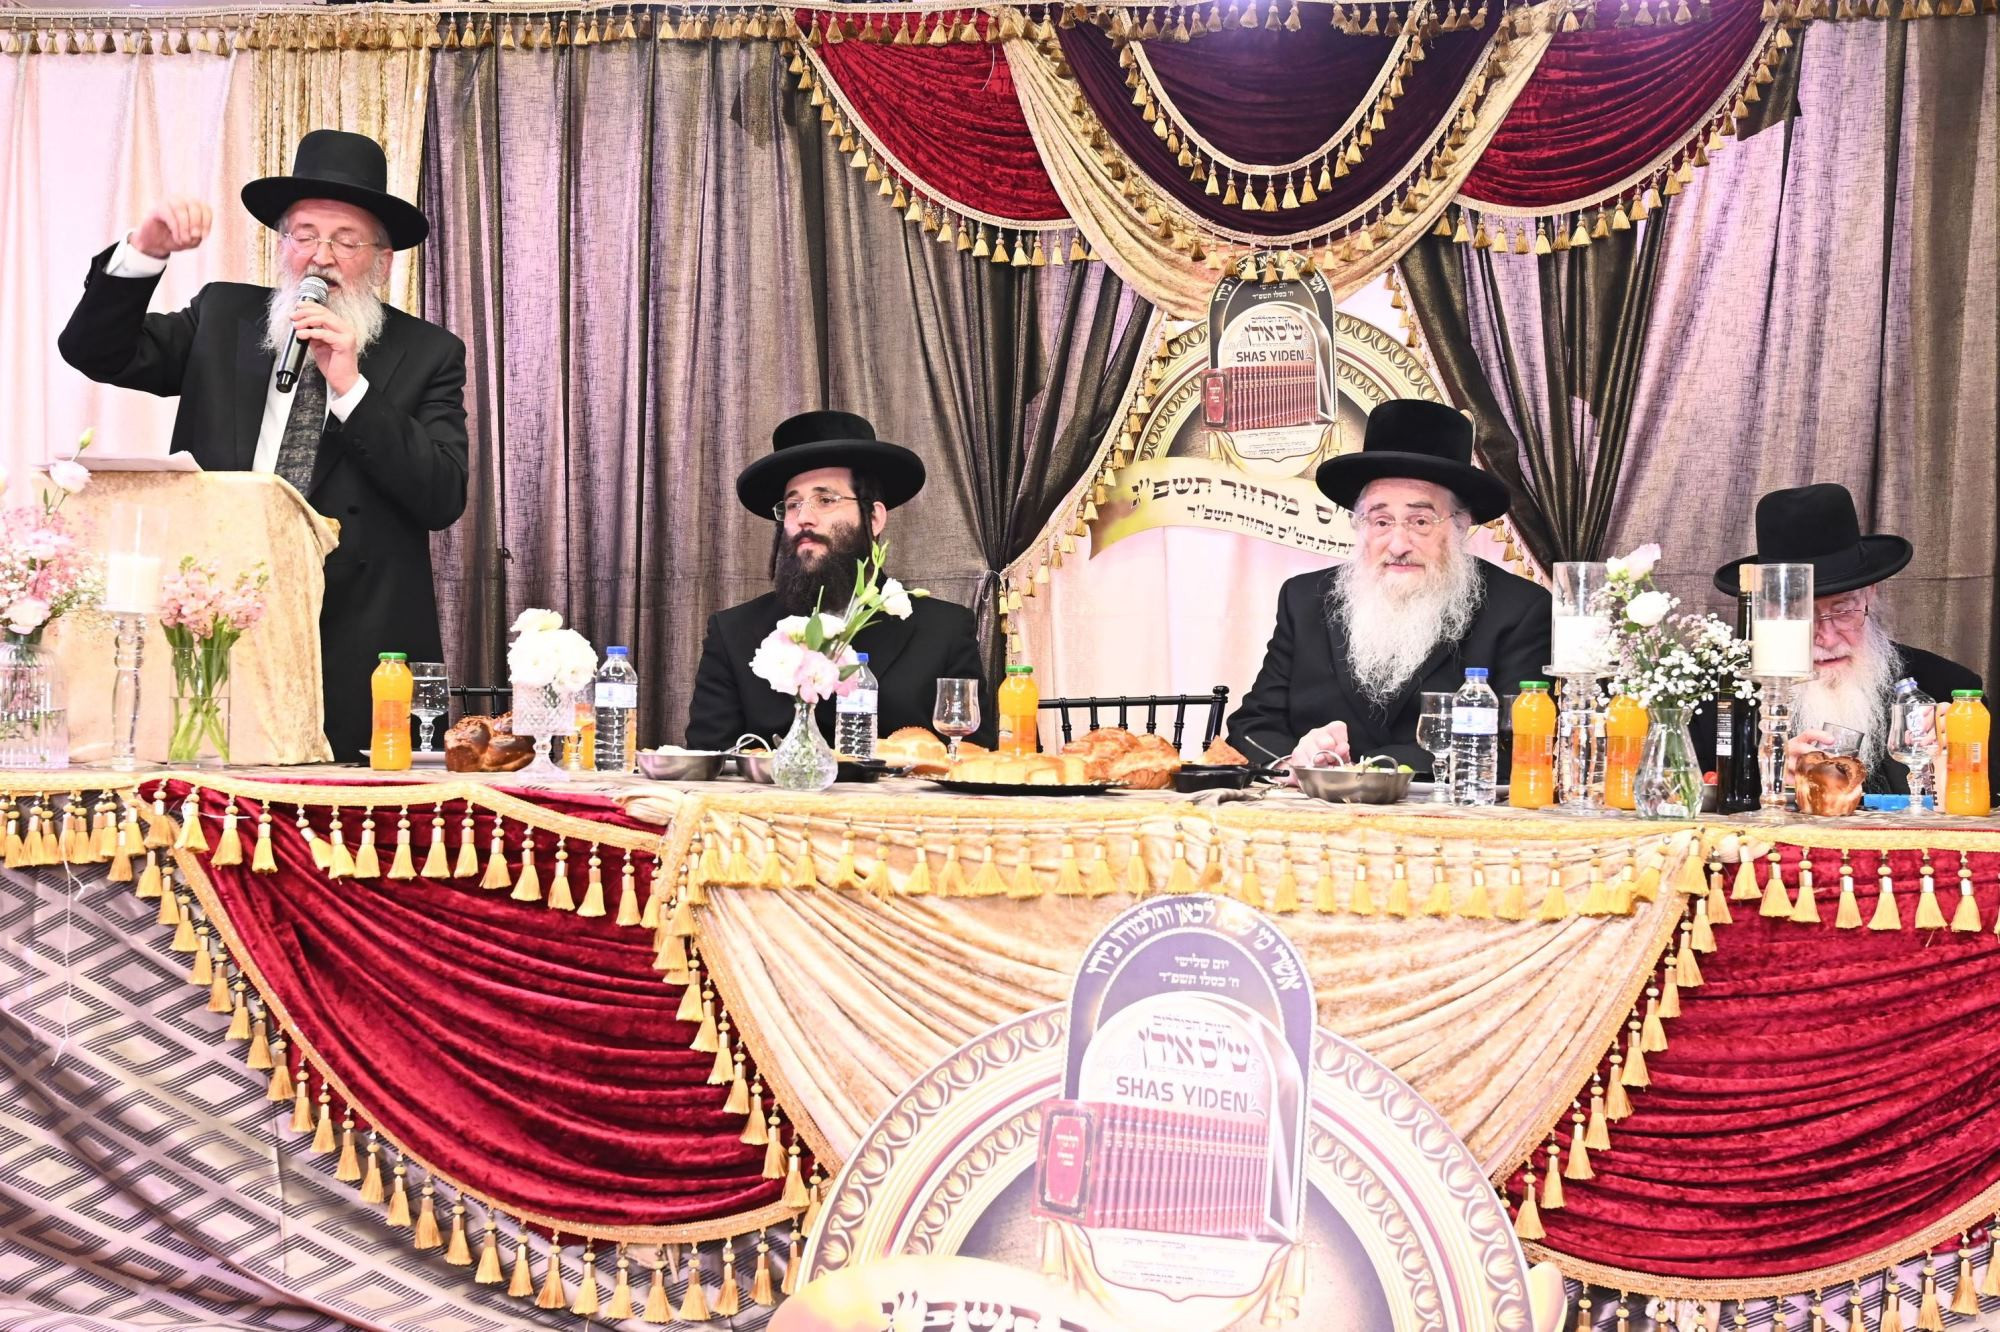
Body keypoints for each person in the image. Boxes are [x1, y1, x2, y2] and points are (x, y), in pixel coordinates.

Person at [58, 129, 467, 762]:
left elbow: (441, 496)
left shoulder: (429, 353)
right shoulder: (223, 316)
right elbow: (95, 351)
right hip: (216, 622)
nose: (320, 257)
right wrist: (144, 252)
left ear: (382, 262)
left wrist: (351, 387)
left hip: (351, 635)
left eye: (345, 240)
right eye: (304, 235)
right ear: (283, 246)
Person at [1228, 400, 1552, 775]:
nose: (1398, 545)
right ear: (1360, 524)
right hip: (1313, 806)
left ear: (1461, 525)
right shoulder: (1304, 599)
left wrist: (1368, 771)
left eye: (1420, 521)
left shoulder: (1520, 609)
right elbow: (1252, 726)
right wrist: (1296, 760)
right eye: (1381, 521)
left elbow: (1516, 741)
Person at [686, 411, 992, 750]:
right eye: (792, 504)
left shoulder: (944, 630)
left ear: (873, 517)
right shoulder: (734, 634)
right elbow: (708, 762)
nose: (804, 517)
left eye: (825, 500)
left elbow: (973, 760)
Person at [1713, 483, 1989, 797]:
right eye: (1800, 615)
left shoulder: (1949, 689)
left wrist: (1956, 763)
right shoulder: (1720, 699)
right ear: (1766, 612)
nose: (1827, 638)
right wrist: (1767, 780)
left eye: (1843, 610)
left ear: (1870, 595)